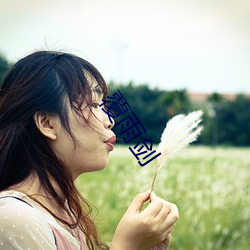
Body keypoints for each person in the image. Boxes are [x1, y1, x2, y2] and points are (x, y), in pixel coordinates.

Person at [0, 51, 179, 250]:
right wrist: (126, 246)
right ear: (47, 123)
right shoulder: (14, 217)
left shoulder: (63, 213)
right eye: (94, 104)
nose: (110, 121)